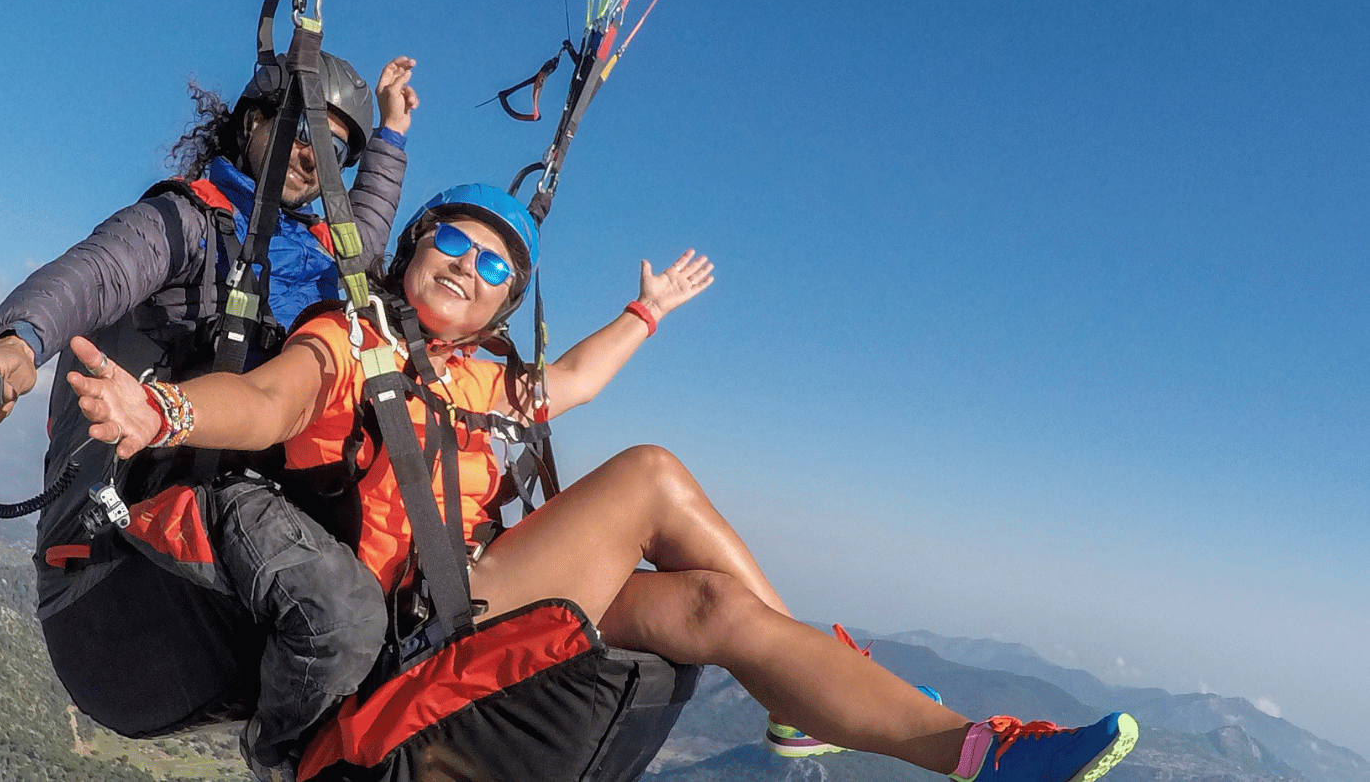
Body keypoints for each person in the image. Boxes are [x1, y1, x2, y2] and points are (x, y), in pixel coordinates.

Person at [66, 184, 1140, 782]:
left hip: (479, 593)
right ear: (409, 251)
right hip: (411, 620)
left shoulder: (490, 377)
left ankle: (976, 754)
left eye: (496, 267)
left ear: (500, 307)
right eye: (453, 242)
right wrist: (169, 408)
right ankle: (802, 693)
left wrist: (647, 312)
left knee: (709, 608)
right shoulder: (352, 339)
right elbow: (271, 405)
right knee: (651, 476)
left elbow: (569, 377)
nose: (469, 266)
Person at [0, 52, 419, 743]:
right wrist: (18, 344)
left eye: (336, 152)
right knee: (342, 610)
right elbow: (97, 273)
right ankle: (284, 753)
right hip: (117, 579)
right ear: (254, 120)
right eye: (305, 132)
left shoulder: (319, 256)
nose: (314, 156)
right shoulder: (186, 224)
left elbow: (367, 240)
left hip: (219, 558)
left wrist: (389, 133)